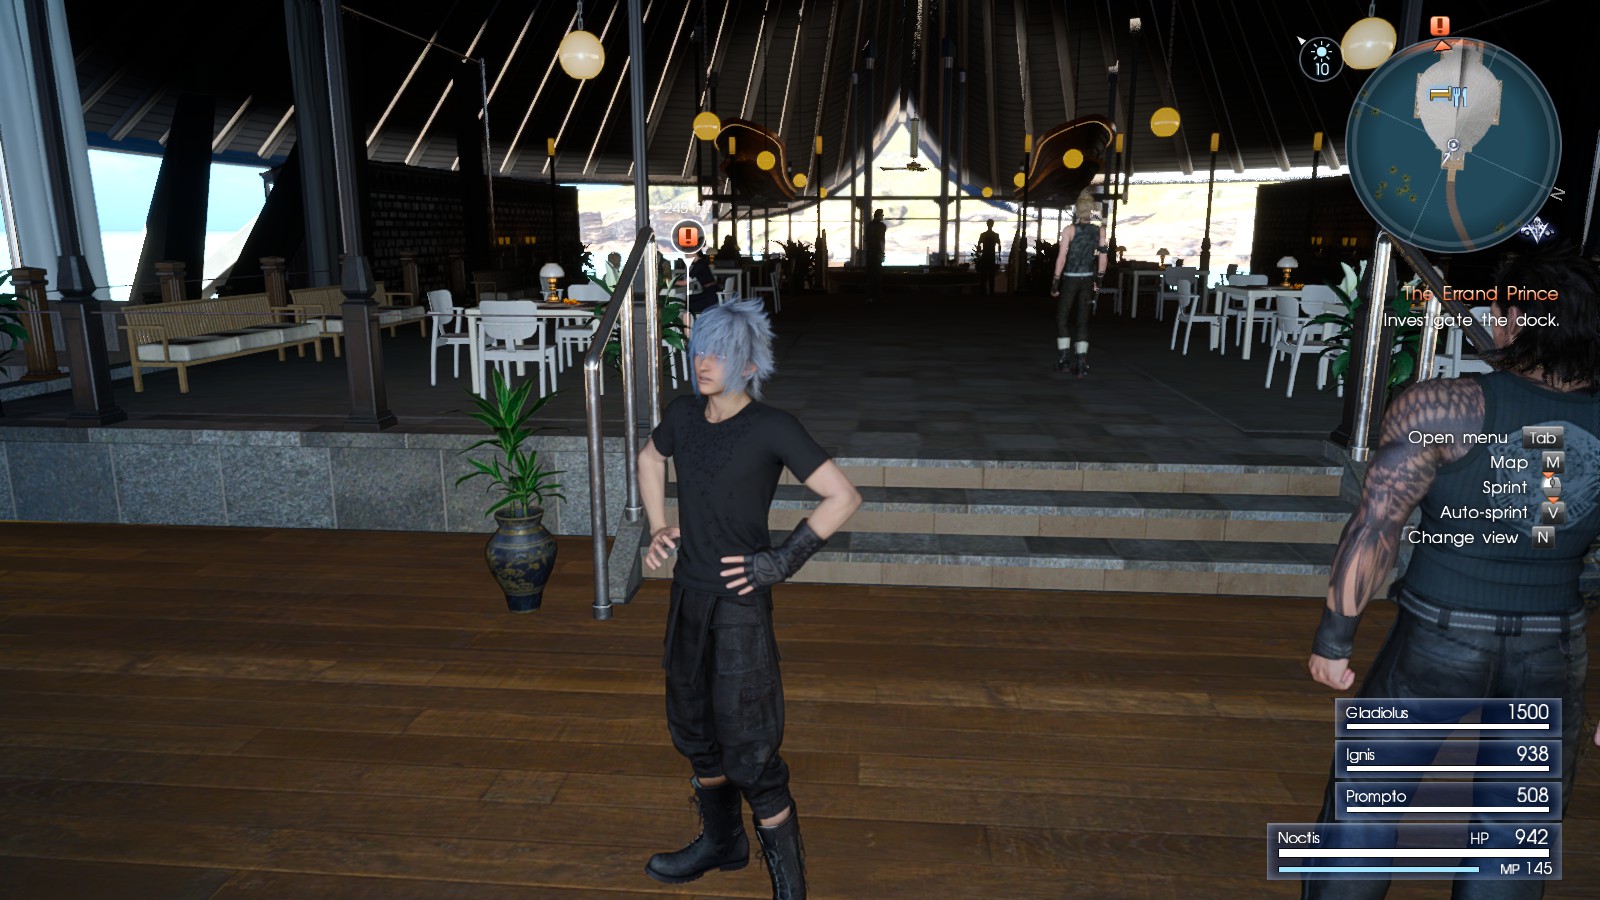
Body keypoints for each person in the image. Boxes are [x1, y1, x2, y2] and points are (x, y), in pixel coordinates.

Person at [1304, 245, 1600, 900]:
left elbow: (1376, 526)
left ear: (1516, 318)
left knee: (1365, 807)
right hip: (1553, 646)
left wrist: (1334, 639)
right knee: (1514, 831)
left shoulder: (1443, 407)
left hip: (1437, 635)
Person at [638, 299, 863, 899]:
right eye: (700, 350)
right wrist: (658, 525)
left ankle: (791, 889)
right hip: (689, 598)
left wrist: (781, 561)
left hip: (739, 605)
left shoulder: (772, 426)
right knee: (695, 732)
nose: (704, 362)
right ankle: (722, 843)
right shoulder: (683, 414)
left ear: (749, 365)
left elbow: (843, 496)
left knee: (751, 749)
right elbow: (650, 457)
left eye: (721, 354)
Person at [1050, 192, 1107, 376]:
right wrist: (1098, 280)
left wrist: (1055, 281)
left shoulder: (1069, 230)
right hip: (1088, 278)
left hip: (1070, 278)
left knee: (1062, 318)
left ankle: (1064, 360)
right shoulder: (1100, 231)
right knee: (1083, 321)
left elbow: (1061, 258)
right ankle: (1081, 363)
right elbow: (1103, 258)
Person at [678, 250, 719, 315]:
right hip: (712, 292)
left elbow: (685, 283)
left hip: (710, 296)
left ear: (694, 252)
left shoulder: (698, 265)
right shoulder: (702, 262)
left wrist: (670, 281)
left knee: (687, 302)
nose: (685, 256)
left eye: (687, 254)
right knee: (688, 299)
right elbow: (694, 278)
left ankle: (688, 320)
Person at [865, 209, 887, 302]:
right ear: (880, 216)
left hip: (869, 253)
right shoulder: (882, 226)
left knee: (870, 275)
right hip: (877, 253)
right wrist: (882, 253)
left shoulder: (869, 225)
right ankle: (877, 297)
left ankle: (870, 297)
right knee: (878, 275)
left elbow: (866, 240)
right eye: (882, 215)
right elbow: (881, 240)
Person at [977, 220, 1002, 295]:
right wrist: (999, 255)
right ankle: (991, 292)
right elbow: (999, 245)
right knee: (991, 275)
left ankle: (983, 291)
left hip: (985, 255)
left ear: (987, 224)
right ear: (992, 225)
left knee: (984, 275)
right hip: (991, 255)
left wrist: (978, 253)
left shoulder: (983, 235)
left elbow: (979, 245)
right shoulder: (995, 235)